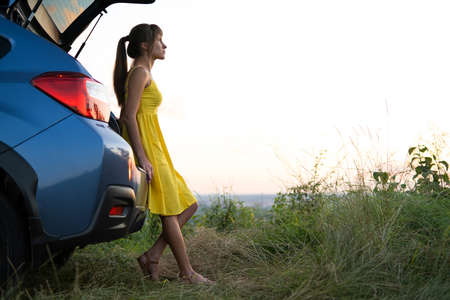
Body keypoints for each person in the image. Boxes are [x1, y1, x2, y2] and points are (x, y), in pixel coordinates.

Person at [113, 23, 213, 284]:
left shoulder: (144, 72)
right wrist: (142, 157)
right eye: (160, 40)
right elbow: (128, 116)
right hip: (147, 148)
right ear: (146, 45)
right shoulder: (139, 73)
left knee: (189, 204)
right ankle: (187, 273)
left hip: (155, 146)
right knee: (170, 212)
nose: (164, 45)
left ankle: (152, 256)